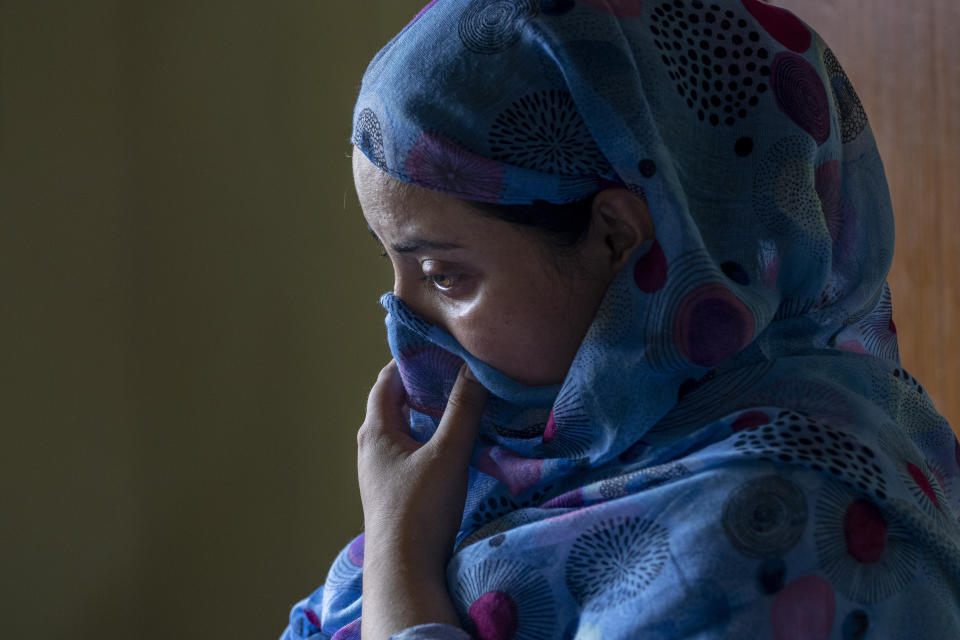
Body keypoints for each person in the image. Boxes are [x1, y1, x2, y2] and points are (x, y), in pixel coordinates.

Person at [282, 1, 960, 638]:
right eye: (393, 269)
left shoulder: (780, 531)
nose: (403, 326)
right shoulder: (536, 468)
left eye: (442, 275)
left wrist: (399, 564)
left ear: (615, 239)